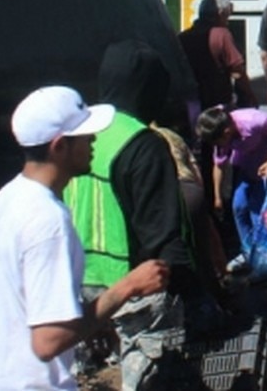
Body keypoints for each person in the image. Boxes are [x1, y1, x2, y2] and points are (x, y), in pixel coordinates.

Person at [0, 86, 169, 391]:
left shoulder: (6, 198)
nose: (94, 141)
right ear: (59, 146)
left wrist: (85, 320)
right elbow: (48, 341)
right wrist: (127, 287)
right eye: (86, 136)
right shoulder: (48, 220)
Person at [63, 41, 197, 390]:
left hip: (80, 280)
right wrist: (191, 288)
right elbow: (162, 229)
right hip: (135, 283)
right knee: (145, 375)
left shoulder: (79, 133)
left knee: (88, 374)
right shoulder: (142, 142)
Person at [197, 106, 267, 274]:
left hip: (266, 171)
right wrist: (218, 197)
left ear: (226, 132)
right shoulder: (222, 136)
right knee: (239, 207)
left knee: (258, 214)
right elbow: (219, 165)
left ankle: (266, 257)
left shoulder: (256, 121)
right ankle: (249, 251)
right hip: (246, 169)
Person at [178, 0, 255, 110]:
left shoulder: (183, 37)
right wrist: (250, 95)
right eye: (227, 17)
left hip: (190, 102)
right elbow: (237, 70)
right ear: (220, 13)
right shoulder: (221, 34)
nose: (227, 22)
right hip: (217, 103)